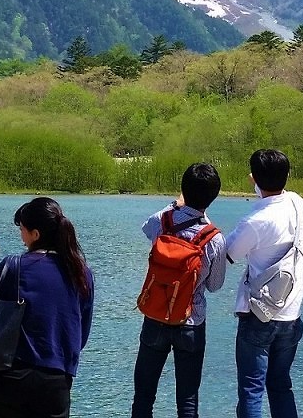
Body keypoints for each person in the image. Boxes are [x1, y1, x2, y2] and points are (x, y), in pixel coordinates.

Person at [131, 163, 228, 418]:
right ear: (214, 196)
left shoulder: (161, 221)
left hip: (155, 317)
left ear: (183, 189)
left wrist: (175, 205)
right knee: (187, 401)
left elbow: (145, 228)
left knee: (143, 396)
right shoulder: (214, 238)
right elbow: (215, 286)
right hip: (191, 321)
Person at [0, 197, 94, 418]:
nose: (21, 236)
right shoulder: (81, 273)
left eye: (23, 229)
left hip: (9, 374)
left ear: (36, 235)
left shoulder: (14, 266)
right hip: (56, 378)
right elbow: (81, 332)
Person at [225, 149, 303, 418]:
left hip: (260, 313)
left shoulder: (255, 221)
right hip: (291, 313)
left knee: (251, 389)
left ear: (254, 178)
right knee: (281, 385)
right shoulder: (297, 203)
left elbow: (229, 254)